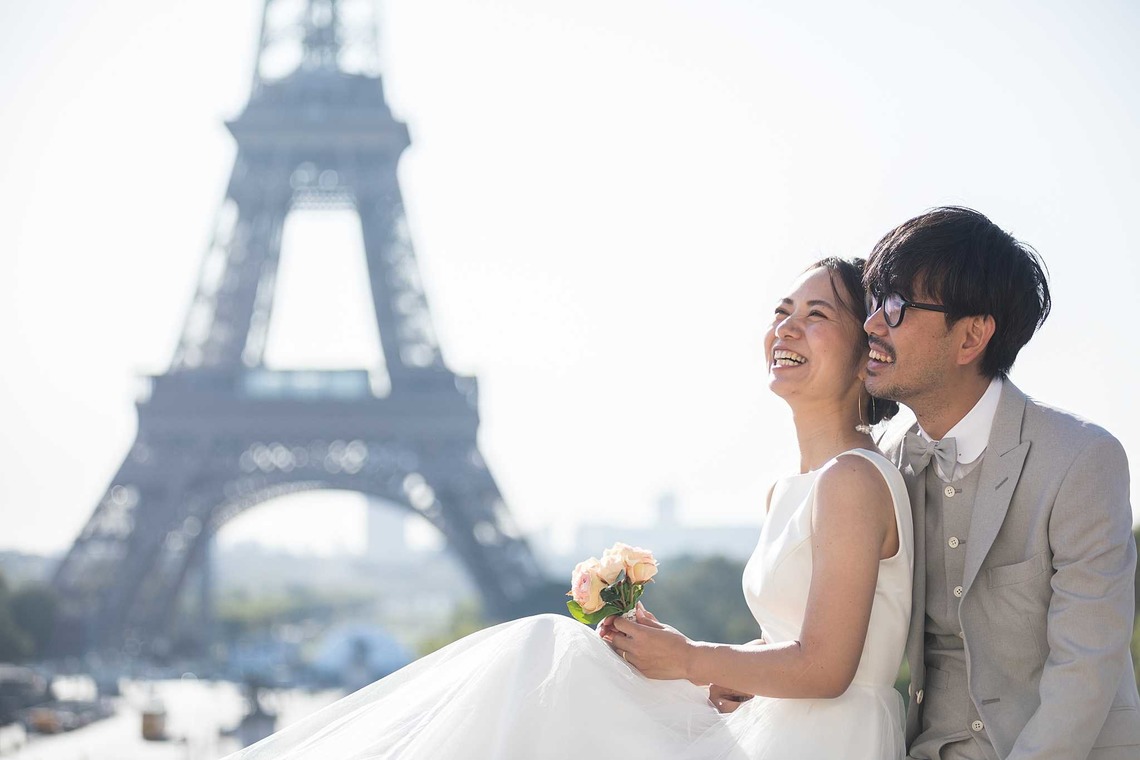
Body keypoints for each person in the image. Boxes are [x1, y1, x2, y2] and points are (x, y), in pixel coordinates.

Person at [223, 257, 914, 760]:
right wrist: (697, 660)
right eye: (782, 311)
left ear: (868, 355)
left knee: (540, 655)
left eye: (817, 315)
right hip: (784, 729)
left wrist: (690, 658)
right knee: (545, 660)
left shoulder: (852, 480)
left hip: (821, 741)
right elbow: (794, 641)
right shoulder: (794, 487)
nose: (787, 328)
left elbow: (827, 668)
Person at [861, 206, 1140, 760]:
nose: (872, 324)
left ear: (971, 336)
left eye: (896, 305)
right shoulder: (883, 463)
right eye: (874, 301)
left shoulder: (1081, 459)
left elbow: (1085, 665)